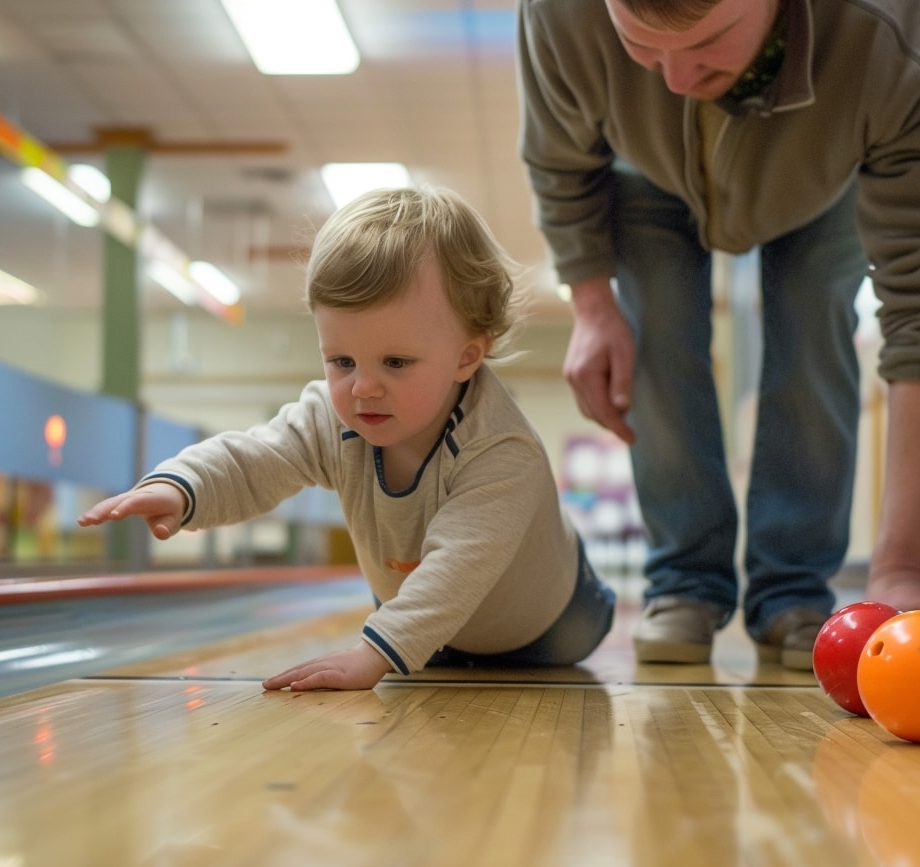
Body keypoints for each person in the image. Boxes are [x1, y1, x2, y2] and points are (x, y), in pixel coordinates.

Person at [516, 0, 920, 669]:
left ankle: (795, 593)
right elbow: (558, 156)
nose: (677, 79)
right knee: (652, 331)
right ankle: (683, 582)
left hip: (826, 164)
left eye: (707, 43)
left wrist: (900, 571)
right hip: (644, 172)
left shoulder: (915, 37)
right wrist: (594, 305)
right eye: (642, 47)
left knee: (813, 331)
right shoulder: (557, 10)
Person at [78, 186, 616, 690]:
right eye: (341, 360)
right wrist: (182, 486)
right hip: (438, 632)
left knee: (463, 612)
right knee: (421, 634)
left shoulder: (501, 450)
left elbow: (456, 566)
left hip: (550, 626)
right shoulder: (331, 420)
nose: (363, 387)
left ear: (467, 356)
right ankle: (420, 641)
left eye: (396, 362)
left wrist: (373, 657)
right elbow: (258, 458)